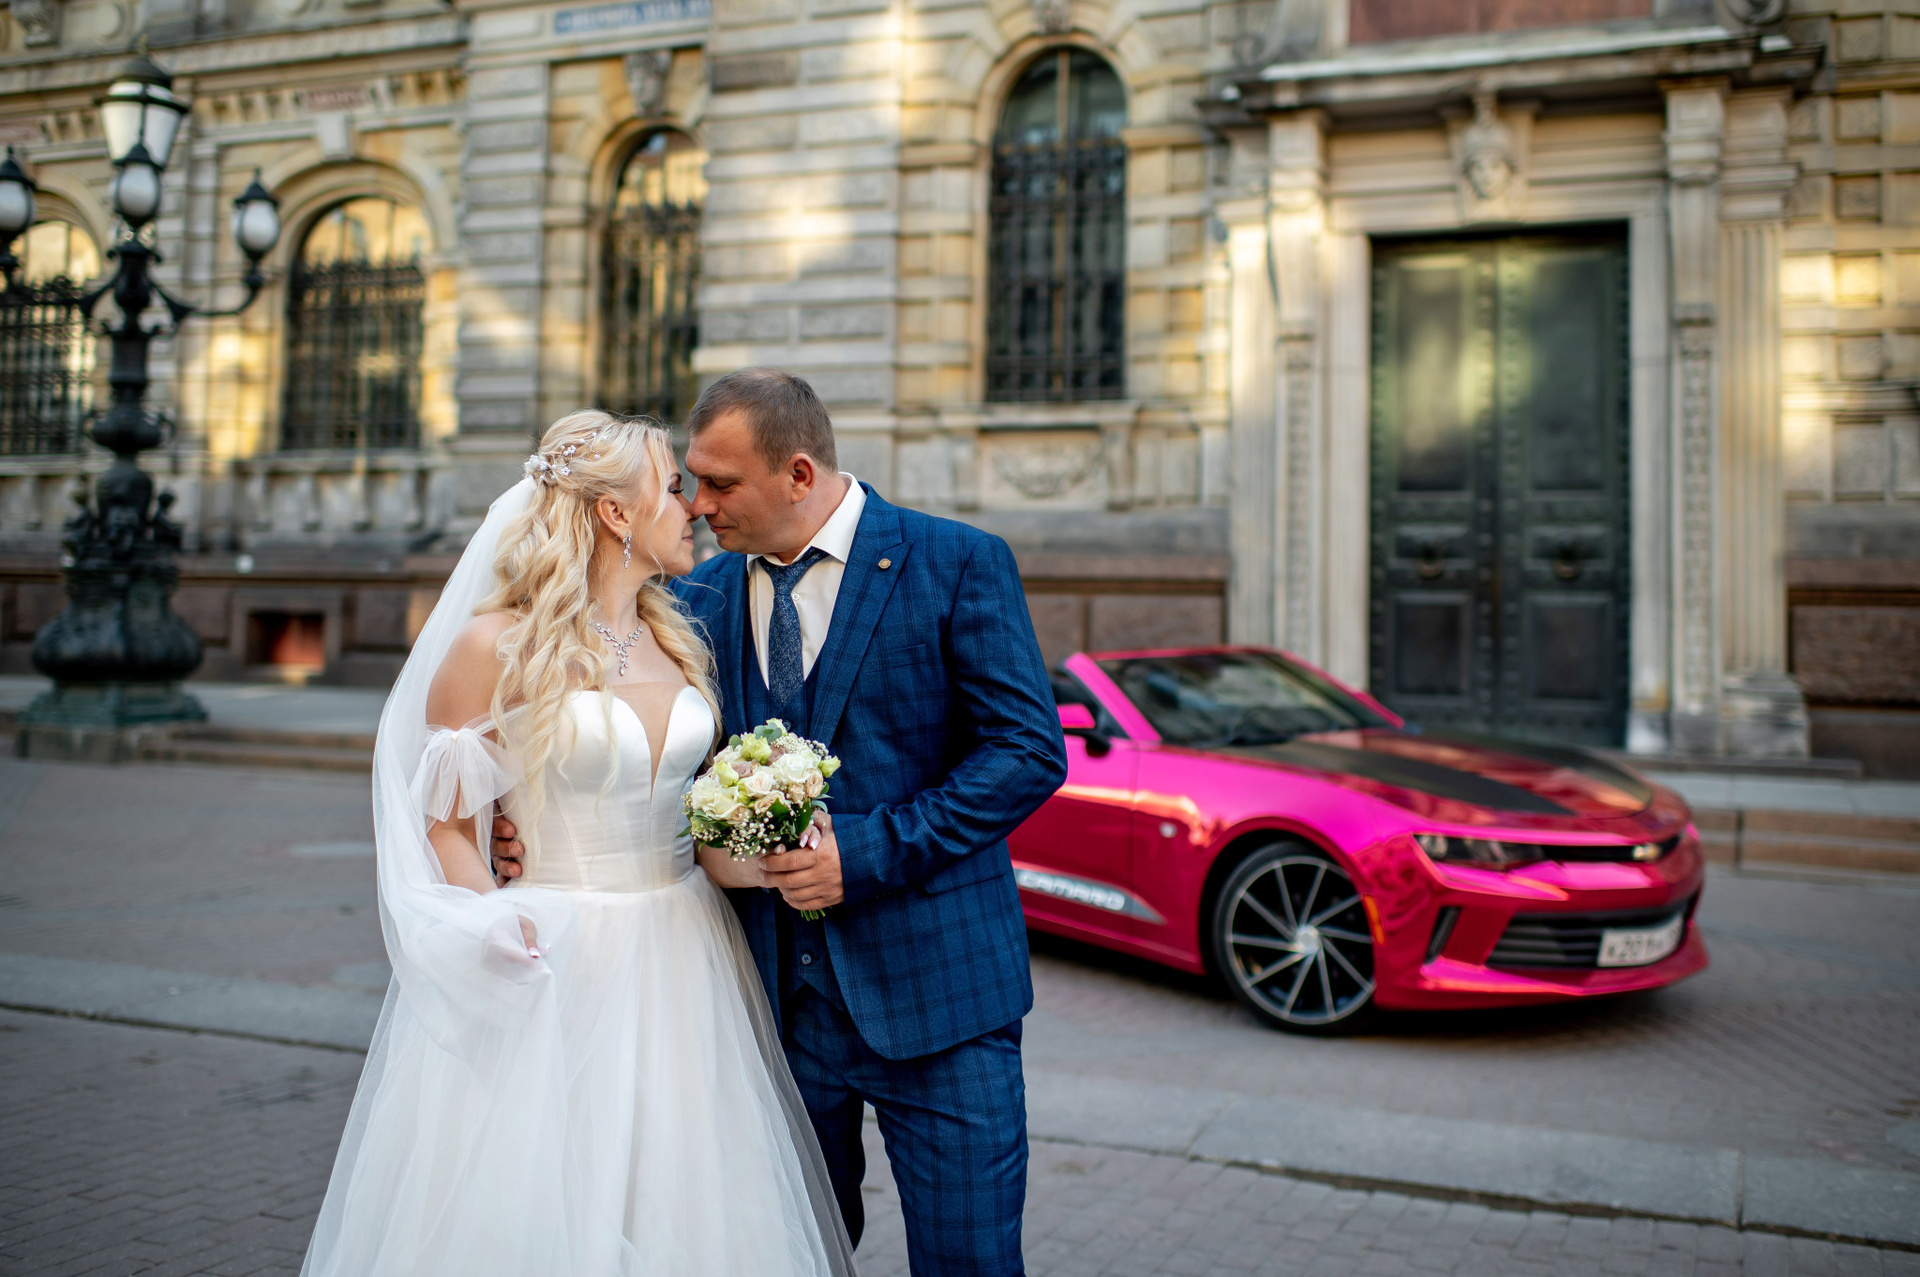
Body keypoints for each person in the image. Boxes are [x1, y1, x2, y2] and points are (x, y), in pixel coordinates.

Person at [494, 369, 1068, 1274]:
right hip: (767, 1010)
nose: (698, 503)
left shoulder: (956, 561)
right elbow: (634, 748)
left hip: (941, 1002)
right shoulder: (697, 597)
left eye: (719, 483)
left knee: (970, 1261)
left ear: (799, 474)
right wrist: (519, 818)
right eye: (691, 480)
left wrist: (866, 851)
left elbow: (1028, 751)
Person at [301, 411, 856, 1277]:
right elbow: (444, 823)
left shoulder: (679, 636)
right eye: (673, 488)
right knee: (549, 1200)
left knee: (680, 1195)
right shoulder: (496, 644)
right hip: (557, 952)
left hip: (685, 951)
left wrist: (779, 850)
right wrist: (489, 924)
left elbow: (694, 834)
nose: (694, 507)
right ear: (615, 513)